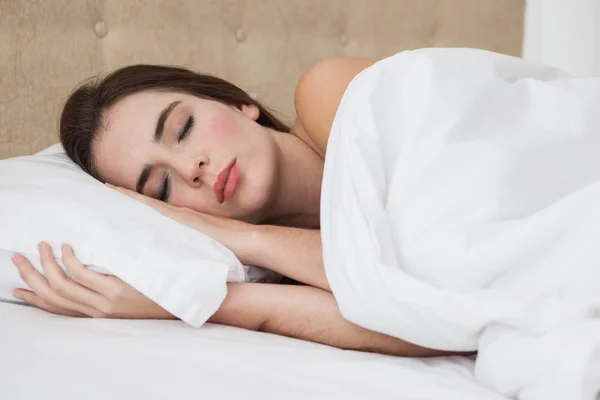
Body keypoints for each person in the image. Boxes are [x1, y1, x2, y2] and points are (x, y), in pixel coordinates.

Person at [11, 56, 458, 358]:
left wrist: (246, 236)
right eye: (161, 187)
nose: (192, 168)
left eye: (183, 128)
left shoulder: (328, 92)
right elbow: (437, 325)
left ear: (239, 103)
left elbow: (434, 273)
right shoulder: (298, 273)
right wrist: (196, 295)